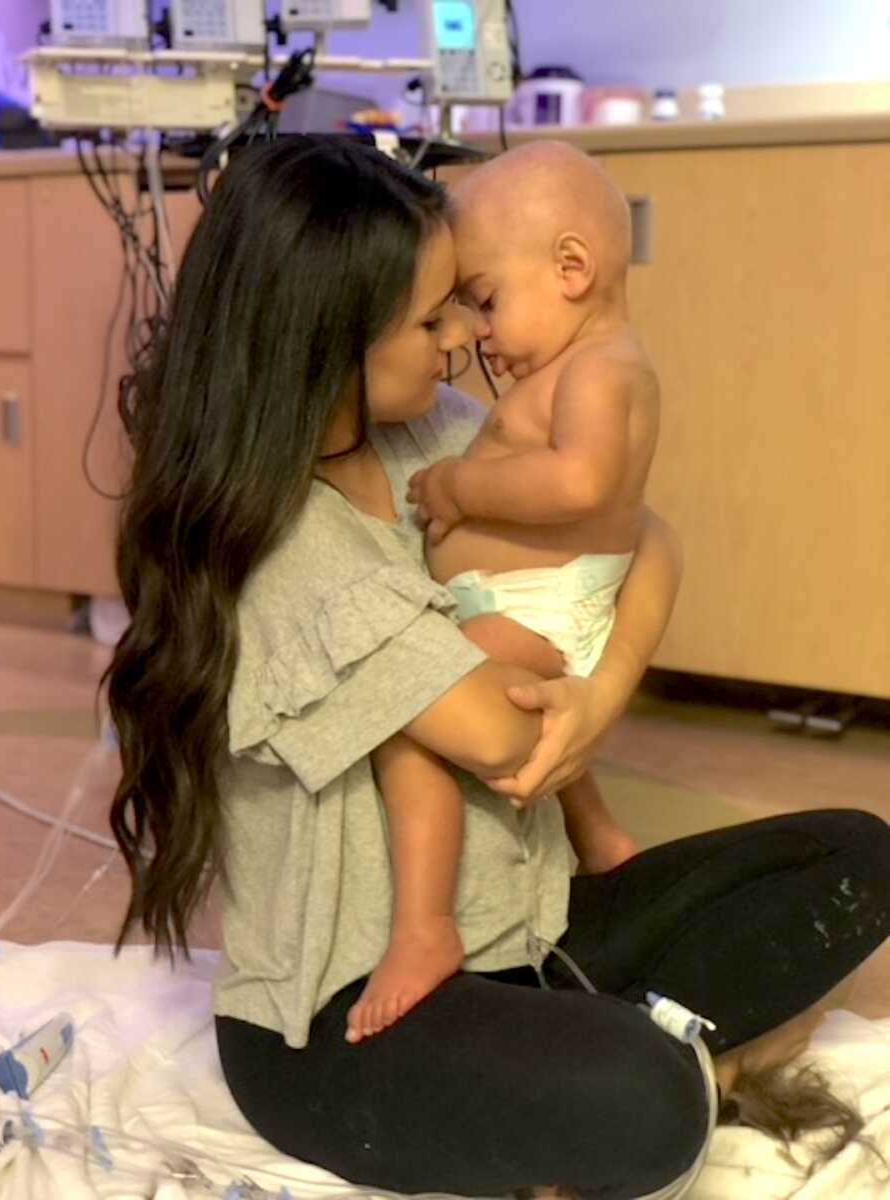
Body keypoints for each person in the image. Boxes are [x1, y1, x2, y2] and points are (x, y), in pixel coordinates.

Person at [106, 135, 890, 1200]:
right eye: (433, 318)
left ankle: (607, 1060)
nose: (464, 338)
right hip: (350, 1018)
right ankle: (668, 1070)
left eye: (466, 306)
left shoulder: (431, 438)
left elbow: (645, 538)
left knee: (856, 856)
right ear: (328, 333)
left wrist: (601, 693)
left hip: (528, 925)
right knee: (644, 1105)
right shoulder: (282, 547)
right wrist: (569, 697)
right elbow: (504, 737)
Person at [349, 142, 652, 1044]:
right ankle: (599, 834)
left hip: (540, 608)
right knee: (432, 695)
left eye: (483, 301)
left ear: (571, 268)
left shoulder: (603, 369)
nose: (476, 334)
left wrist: (460, 490)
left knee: (408, 721)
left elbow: (584, 485)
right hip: (518, 600)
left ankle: (423, 925)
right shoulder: (572, 369)